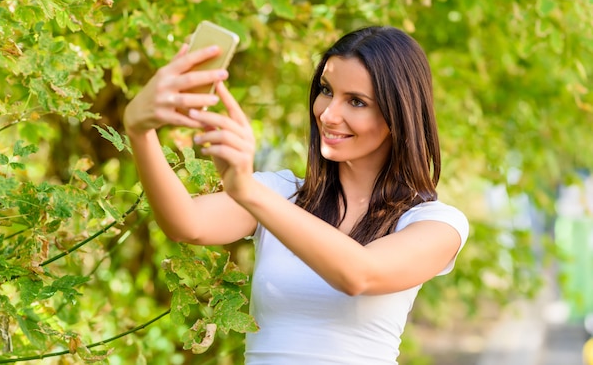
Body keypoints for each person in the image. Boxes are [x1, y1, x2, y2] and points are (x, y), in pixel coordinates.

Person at [123, 25, 469, 364]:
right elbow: (187, 223)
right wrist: (139, 130)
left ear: (399, 114)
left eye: (357, 102)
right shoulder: (281, 193)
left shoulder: (435, 223)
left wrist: (246, 190)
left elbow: (359, 274)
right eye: (326, 90)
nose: (328, 114)